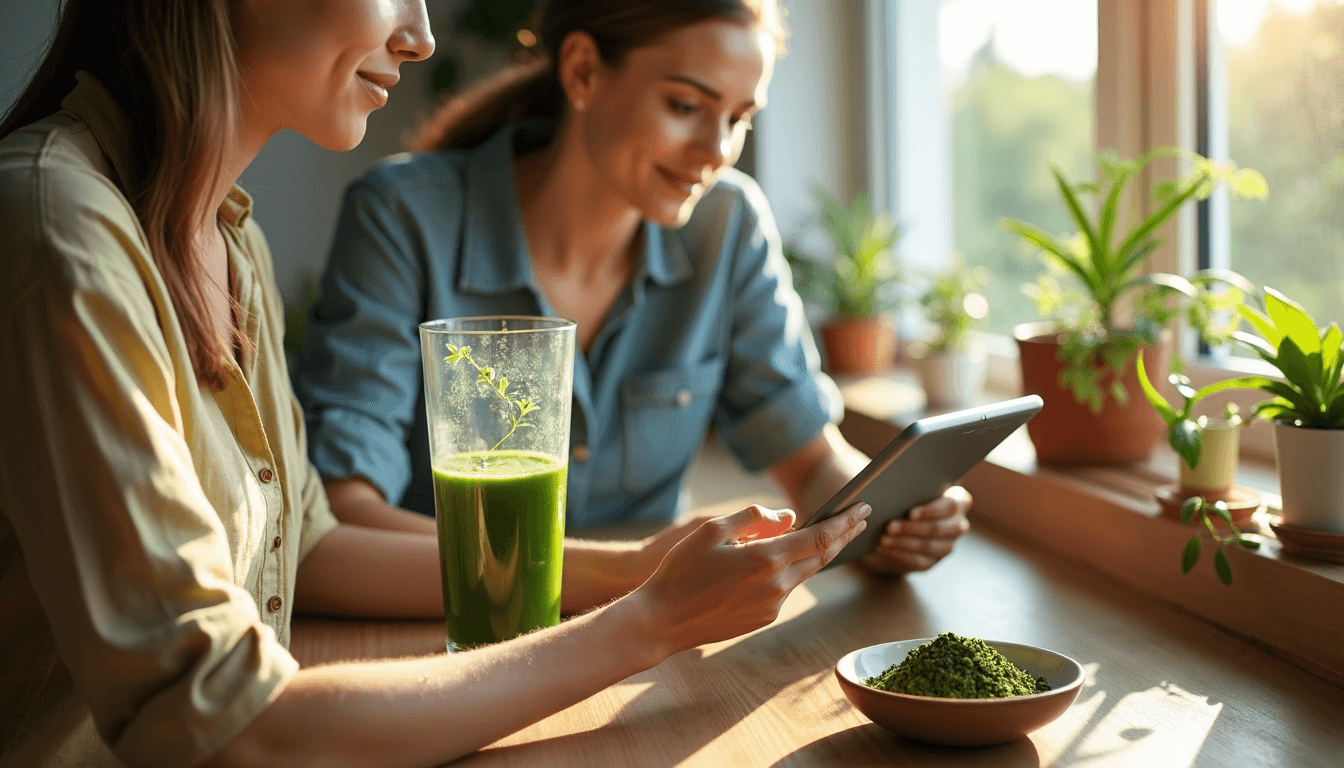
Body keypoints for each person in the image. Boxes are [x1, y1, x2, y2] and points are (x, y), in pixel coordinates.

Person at [0, 1, 871, 765]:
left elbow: (308, 541)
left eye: (739, 115)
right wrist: (648, 620)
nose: (418, 36)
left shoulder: (227, 240)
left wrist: (639, 574)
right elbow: (224, 720)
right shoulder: (59, 231)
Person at [295, 0, 973, 598]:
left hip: (650, 637)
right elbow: (341, 508)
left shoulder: (728, 225)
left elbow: (811, 459)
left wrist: (885, 517)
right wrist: (632, 572)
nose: (716, 151)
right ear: (584, 71)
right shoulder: (403, 216)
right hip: (450, 631)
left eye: (739, 119)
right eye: (685, 107)